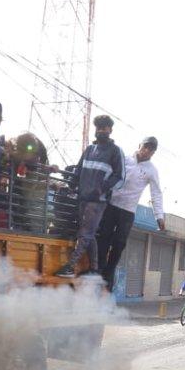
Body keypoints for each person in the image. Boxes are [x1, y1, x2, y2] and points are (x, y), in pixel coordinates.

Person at [54, 115, 125, 278]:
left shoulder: (115, 151)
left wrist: (102, 189)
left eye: (104, 127)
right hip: (83, 198)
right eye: (98, 127)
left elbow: (119, 177)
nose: (101, 130)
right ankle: (94, 268)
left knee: (85, 234)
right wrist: (69, 186)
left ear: (110, 130)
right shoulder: (89, 150)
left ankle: (70, 266)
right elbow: (78, 171)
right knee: (90, 233)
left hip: (98, 201)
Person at [97, 136, 165, 288]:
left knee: (119, 243)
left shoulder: (152, 171)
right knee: (103, 238)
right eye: (145, 147)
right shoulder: (124, 159)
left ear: (153, 153)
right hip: (111, 205)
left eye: (151, 149)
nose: (147, 151)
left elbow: (156, 193)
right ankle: (99, 269)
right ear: (140, 145)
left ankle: (109, 273)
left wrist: (159, 216)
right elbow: (108, 175)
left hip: (128, 211)